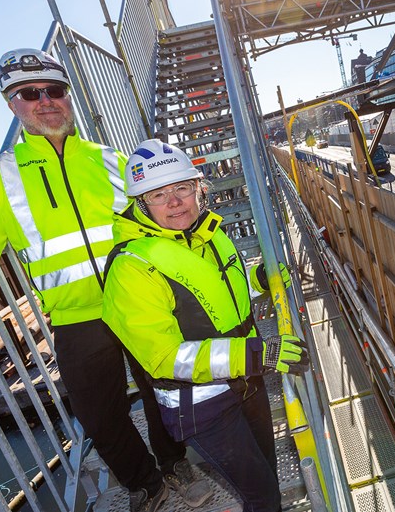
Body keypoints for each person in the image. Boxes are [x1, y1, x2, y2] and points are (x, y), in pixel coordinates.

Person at [0, 49, 211, 512]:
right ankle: (145, 482)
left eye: (54, 90)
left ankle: (175, 462)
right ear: (11, 105)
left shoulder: (113, 162)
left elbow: (166, 219)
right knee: (100, 416)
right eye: (28, 93)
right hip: (76, 319)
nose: (44, 101)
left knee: (167, 388)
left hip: (141, 303)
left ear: (69, 96)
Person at [101, 139, 309, 512]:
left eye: (182, 188)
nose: (175, 201)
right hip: (202, 405)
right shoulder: (131, 268)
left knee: (267, 480)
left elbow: (216, 291)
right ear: (140, 204)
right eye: (158, 195)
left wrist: (262, 279)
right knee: (263, 494)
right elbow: (165, 358)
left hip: (248, 382)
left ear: (199, 189)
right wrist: (258, 353)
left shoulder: (207, 235)